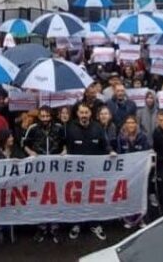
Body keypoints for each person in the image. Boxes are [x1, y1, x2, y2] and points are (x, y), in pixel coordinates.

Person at [65, 102, 112, 241]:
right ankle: (76, 224)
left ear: (90, 114)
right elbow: (66, 146)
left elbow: (105, 145)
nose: (84, 115)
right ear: (78, 114)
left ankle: (95, 224)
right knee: (77, 199)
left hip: (94, 172)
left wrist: (111, 151)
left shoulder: (98, 127)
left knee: (94, 199)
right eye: (81, 113)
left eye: (86, 112)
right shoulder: (70, 128)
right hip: (76, 173)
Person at [22, 105, 66, 243]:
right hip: (38, 169)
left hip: (55, 168)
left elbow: (65, 144)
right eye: (43, 116)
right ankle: (41, 227)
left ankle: (54, 227)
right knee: (40, 197)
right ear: (39, 117)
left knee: (55, 197)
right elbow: (24, 143)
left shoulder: (59, 128)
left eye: (48, 116)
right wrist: (31, 153)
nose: (45, 119)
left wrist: (63, 152)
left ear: (51, 116)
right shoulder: (33, 128)